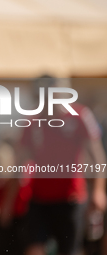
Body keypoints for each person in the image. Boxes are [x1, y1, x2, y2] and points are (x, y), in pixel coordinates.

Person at [15, 76, 106, 255]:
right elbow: (20, 161)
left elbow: (97, 157)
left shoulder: (80, 116)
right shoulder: (33, 121)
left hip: (70, 198)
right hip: (39, 197)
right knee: (34, 247)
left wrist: (98, 191)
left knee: (70, 249)